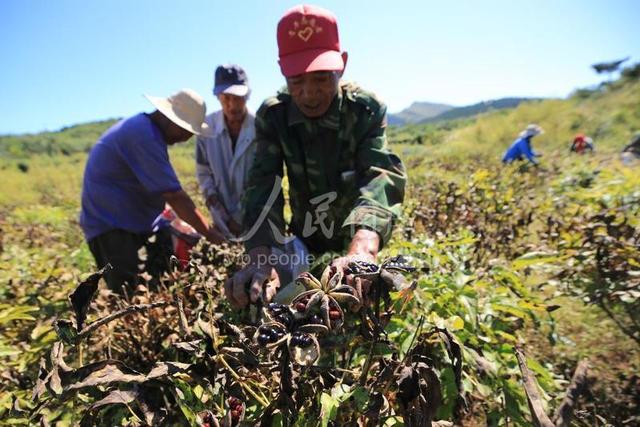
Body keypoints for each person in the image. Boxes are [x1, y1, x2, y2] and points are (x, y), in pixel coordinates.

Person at [224, 4, 407, 309]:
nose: (309, 93)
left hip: (357, 234)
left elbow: (379, 174)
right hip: (306, 236)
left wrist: (363, 248)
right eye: (297, 80)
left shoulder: (365, 110)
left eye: (322, 78)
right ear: (282, 69)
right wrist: (259, 256)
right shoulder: (274, 116)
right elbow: (262, 186)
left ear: (342, 65)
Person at [80, 89, 225, 293]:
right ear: (170, 118)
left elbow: (156, 187)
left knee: (162, 279)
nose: (186, 138)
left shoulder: (146, 131)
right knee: (128, 295)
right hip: (111, 226)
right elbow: (175, 196)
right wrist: (211, 234)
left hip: (133, 222)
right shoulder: (143, 136)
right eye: (185, 130)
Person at [196, 65, 256, 240]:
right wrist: (221, 212)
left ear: (247, 95)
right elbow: (203, 172)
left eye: (238, 98)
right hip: (220, 219)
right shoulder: (206, 128)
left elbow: (263, 178)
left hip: (255, 220)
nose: (232, 105)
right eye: (226, 98)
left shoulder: (259, 126)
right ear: (217, 97)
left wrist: (241, 216)